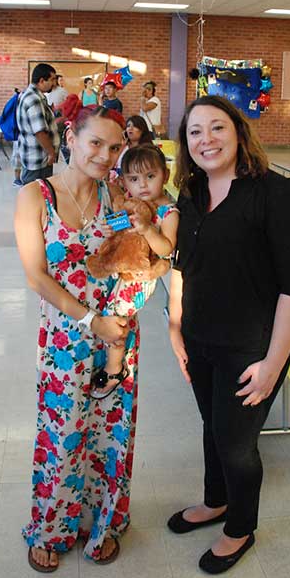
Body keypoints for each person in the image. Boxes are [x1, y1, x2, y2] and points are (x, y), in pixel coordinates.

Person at [167, 96, 290, 575]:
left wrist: (273, 364)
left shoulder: (277, 194)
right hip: (200, 338)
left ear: (239, 132)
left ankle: (240, 526)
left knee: (235, 441)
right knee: (213, 427)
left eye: (216, 128)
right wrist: (175, 328)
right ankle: (216, 501)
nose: (205, 139)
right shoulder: (190, 194)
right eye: (194, 132)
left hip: (253, 345)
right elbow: (182, 267)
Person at [15, 104, 137, 572]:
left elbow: (138, 250)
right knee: (62, 432)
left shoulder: (117, 197)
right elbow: (36, 277)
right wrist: (92, 321)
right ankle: (51, 526)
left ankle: (100, 521)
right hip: (67, 336)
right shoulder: (36, 195)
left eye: (114, 147)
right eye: (95, 143)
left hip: (117, 339)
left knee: (111, 434)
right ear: (70, 136)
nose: (105, 155)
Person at [92, 145, 179, 399]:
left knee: (115, 316)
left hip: (142, 276)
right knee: (111, 313)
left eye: (150, 176)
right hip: (124, 272)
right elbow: (120, 224)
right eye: (133, 179)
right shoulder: (136, 205)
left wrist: (149, 230)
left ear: (166, 173)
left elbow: (167, 249)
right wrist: (112, 230)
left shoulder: (169, 212)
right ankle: (114, 358)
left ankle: (115, 368)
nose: (142, 185)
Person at [17, 64, 59, 185]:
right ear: (41, 80)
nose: (54, 83)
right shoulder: (34, 99)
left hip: (34, 157)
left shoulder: (28, 94)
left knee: (36, 196)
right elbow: (39, 132)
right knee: (37, 197)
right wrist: (51, 153)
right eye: (52, 79)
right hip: (38, 161)